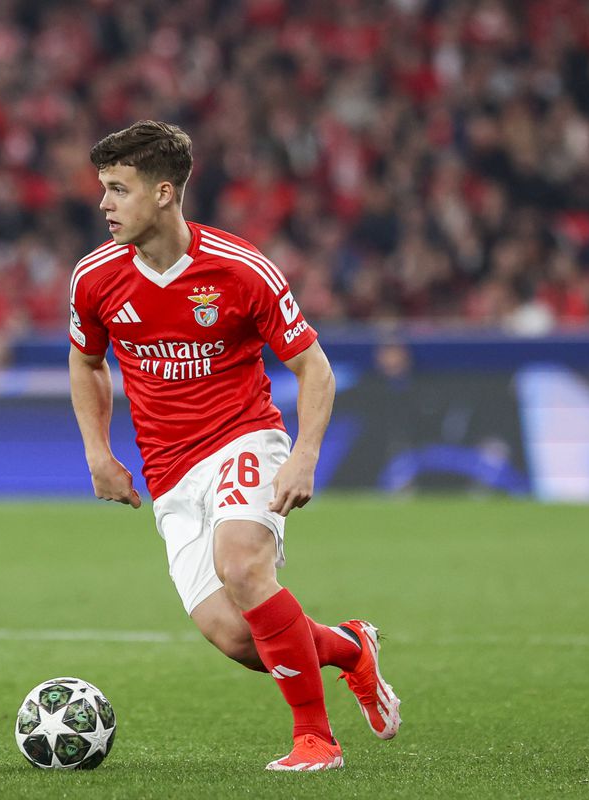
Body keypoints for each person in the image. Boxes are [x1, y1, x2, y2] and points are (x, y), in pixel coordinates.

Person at [68, 120, 401, 771]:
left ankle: (316, 740)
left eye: (118, 188)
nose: (104, 204)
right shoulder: (95, 277)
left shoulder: (241, 268)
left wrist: (304, 456)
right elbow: (86, 361)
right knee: (239, 637)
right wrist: (97, 453)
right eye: (104, 188)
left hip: (243, 438)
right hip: (170, 471)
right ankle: (350, 648)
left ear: (164, 193)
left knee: (243, 567)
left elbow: (314, 369)